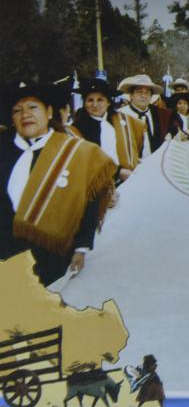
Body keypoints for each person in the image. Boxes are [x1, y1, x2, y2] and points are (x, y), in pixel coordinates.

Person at [0, 83, 116, 286]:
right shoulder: (2, 149)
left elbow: (89, 204)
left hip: (55, 255)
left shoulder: (76, 152)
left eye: (33, 107)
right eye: (17, 110)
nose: (25, 114)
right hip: (6, 253)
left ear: (49, 112)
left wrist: (81, 248)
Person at [72, 78, 146, 183]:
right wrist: (117, 172)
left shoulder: (124, 122)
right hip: (96, 184)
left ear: (108, 103)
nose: (95, 104)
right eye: (90, 100)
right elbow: (86, 160)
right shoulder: (77, 128)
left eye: (100, 100)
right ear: (84, 103)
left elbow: (137, 145)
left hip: (127, 181)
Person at [117, 74, 172, 158]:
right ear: (131, 95)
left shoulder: (159, 114)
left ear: (151, 96)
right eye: (139, 91)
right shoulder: (120, 115)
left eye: (147, 92)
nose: (144, 95)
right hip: (129, 166)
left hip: (154, 165)